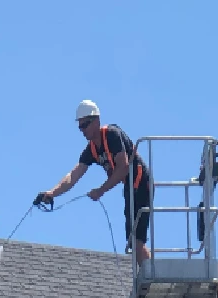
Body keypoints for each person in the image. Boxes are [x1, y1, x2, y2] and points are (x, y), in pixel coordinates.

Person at [35, 100, 153, 264]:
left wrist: (101, 190)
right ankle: (150, 273)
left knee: (136, 239)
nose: (83, 130)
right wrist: (51, 193)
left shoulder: (111, 134)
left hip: (140, 181)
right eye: (80, 126)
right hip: (130, 186)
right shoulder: (91, 150)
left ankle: (152, 275)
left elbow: (123, 167)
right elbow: (73, 176)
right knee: (133, 241)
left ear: (97, 120)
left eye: (86, 124)